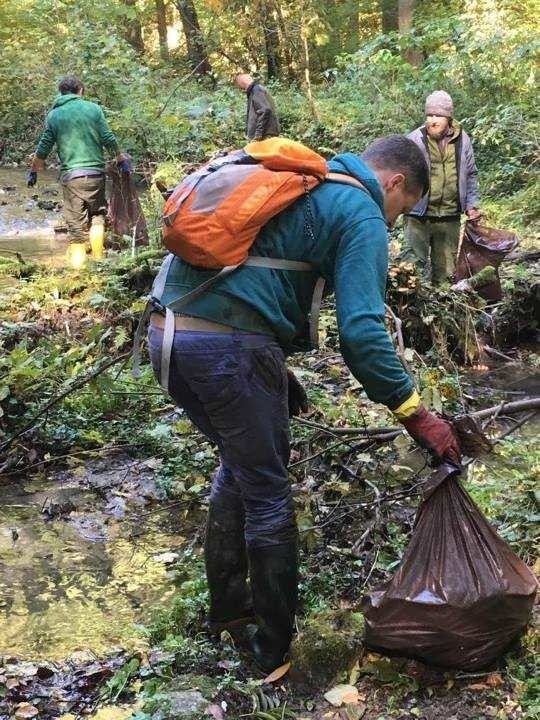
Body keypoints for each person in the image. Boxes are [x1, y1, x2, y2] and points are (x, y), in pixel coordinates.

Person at [147, 135, 462, 672]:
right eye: (402, 209)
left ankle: (229, 610)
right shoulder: (360, 211)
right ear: (396, 183)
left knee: (242, 464)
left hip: (165, 336)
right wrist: (416, 413)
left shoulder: (307, 184)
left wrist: (274, 366)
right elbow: (362, 335)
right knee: (268, 493)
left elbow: (257, 276)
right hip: (227, 349)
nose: (393, 222)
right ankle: (270, 652)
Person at [27, 75, 130, 268]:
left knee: (75, 228)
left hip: (71, 177)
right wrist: (119, 157)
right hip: (96, 175)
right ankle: (99, 262)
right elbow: (108, 137)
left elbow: (44, 146)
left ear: (61, 93)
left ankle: (78, 272)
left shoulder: (55, 115)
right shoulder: (93, 109)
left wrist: (34, 170)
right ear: (80, 91)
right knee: (98, 216)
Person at [402, 90, 481, 284]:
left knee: (446, 275)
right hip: (417, 215)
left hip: (449, 216)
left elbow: (471, 174)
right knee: (411, 269)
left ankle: (442, 311)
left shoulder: (463, 140)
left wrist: (472, 204)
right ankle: (409, 311)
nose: (432, 120)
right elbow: (400, 175)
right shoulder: (414, 140)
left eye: (438, 115)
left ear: (448, 117)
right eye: (429, 115)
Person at [234, 73, 280, 141]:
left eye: (239, 84)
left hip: (264, 135)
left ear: (242, 82)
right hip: (264, 135)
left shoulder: (256, 90)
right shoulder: (254, 91)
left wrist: (258, 133)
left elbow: (265, 110)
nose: (240, 87)